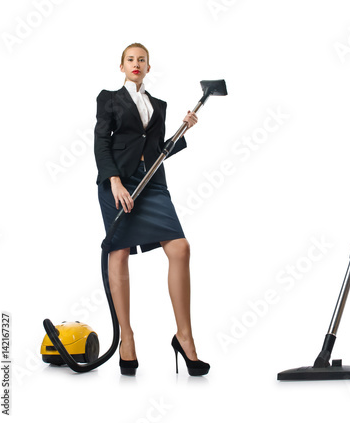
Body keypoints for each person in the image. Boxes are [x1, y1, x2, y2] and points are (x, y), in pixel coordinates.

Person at [93, 42, 209, 376]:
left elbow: (158, 149)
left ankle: (184, 337)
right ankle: (126, 339)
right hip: (119, 182)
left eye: (141, 59)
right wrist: (113, 181)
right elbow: (102, 142)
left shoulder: (158, 104)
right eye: (130, 59)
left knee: (180, 248)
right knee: (118, 252)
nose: (136, 63)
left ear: (148, 67)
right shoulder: (108, 99)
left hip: (153, 183)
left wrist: (184, 130)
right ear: (121, 66)